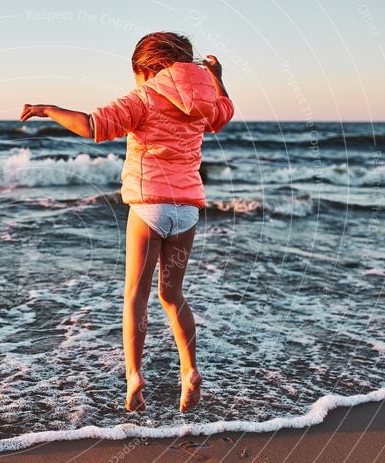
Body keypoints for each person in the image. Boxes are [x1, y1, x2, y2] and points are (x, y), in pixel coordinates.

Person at [20, 32, 234, 414]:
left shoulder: (145, 96)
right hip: (186, 212)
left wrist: (49, 109)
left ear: (149, 67)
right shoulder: (203, 101)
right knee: (171, 295)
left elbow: (93, 126)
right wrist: (217, 77)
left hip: (149, 208)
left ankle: (134, 376)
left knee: (136, 295)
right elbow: (224, 113)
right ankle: (190, 371)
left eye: (137, 73)